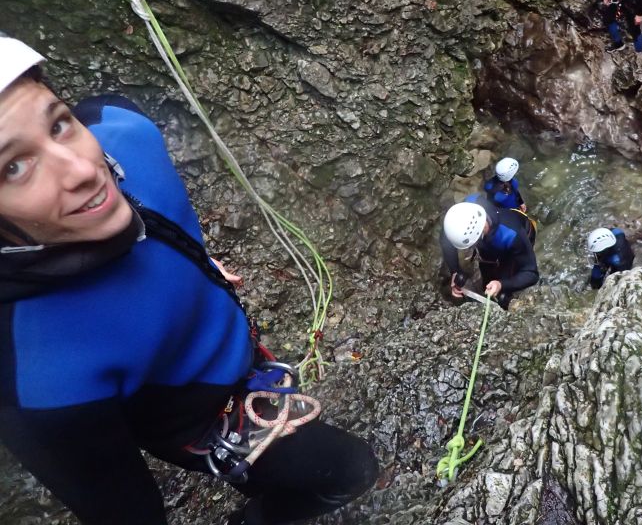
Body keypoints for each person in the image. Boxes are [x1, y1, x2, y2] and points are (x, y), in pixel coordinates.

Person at [0, 36, 378, 525]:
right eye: (14, 167)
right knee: (350, 472)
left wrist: (189, 257)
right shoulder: (32, 373)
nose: (81, 170)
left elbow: (104, 109)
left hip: (228, 348)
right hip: (202, 421)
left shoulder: (123, 131)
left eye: (58, 124)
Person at [440, 195, 538, 309]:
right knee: (487, 279)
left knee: (503, 294)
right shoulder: (467, 208)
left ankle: (505, 301)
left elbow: (531, 273)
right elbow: (446, 238)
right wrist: (455, 271)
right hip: (490, 241)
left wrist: (501, 284)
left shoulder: (511, 235)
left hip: (520, 236)